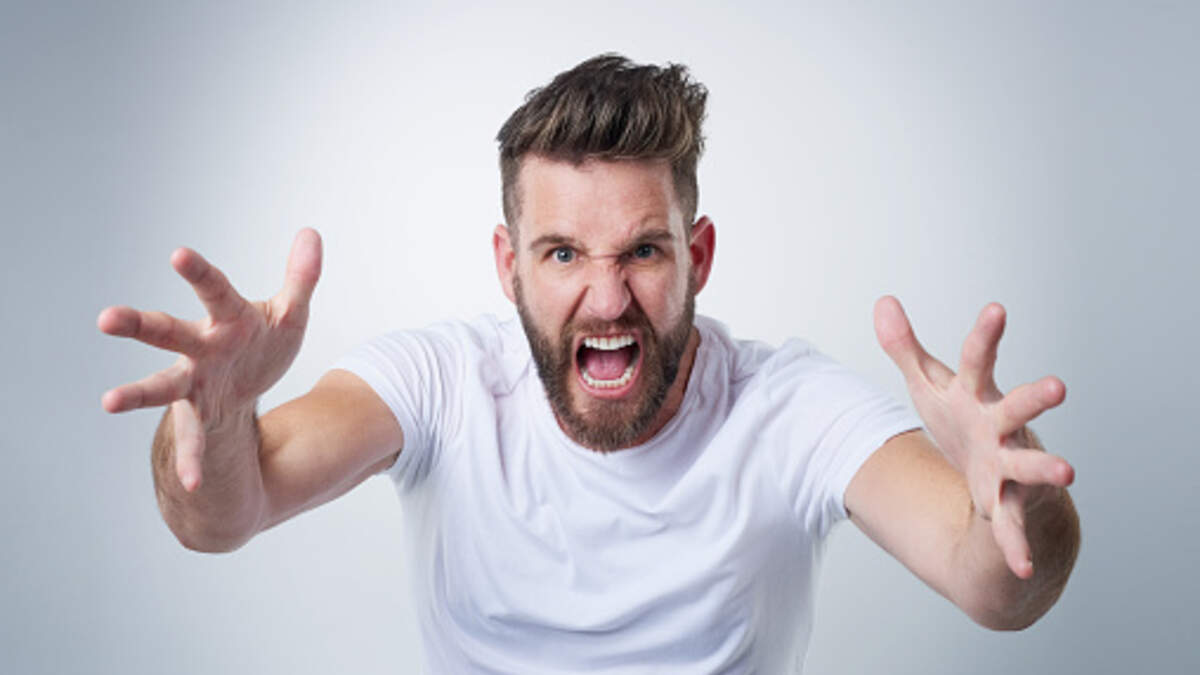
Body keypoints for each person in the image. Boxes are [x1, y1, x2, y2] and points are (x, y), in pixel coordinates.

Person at [98, 54, 1080, 672]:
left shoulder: (787, 408)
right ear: (508, 265)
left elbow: (998, 587)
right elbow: (218, 517)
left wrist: (1015, 500)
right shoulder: (441, 383)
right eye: (563, 254)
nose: (607, 300)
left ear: (697, 256)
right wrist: (215, 417)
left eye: (643, 251)